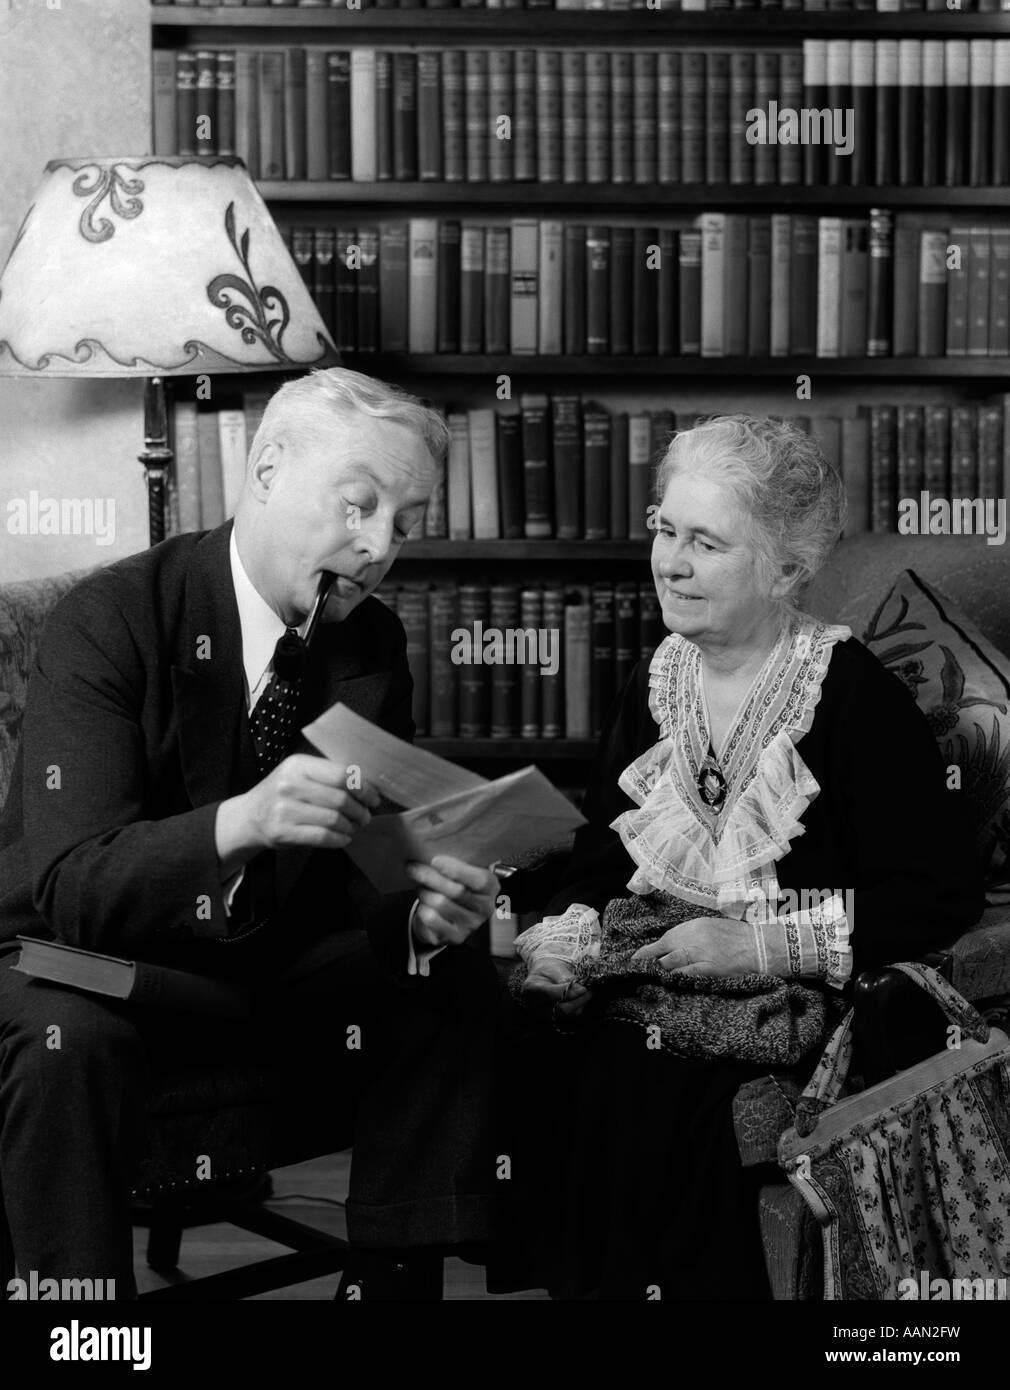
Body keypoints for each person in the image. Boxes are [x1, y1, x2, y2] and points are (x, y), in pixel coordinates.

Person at [0, 367, 502, 1300]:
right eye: (359, 505)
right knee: (71, 1039)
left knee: (448, 967)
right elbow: (72, 884)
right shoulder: (109, 621)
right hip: (72, 956)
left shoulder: (370, 643)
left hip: (257, 957)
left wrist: (420, 908)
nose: (382, 545)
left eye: (408, 520)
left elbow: (362, 858)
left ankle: (390, 1288)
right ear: (267, 469)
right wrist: (245, 821)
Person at [503, 414, 984, 1301]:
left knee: (642, 1081)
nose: (670, 563)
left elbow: (935, 896)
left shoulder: (850, 699)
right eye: (664, 530)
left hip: (808, 990)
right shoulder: (658, 681)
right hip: (660, 965)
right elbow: (603, 857)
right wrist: (564, 942)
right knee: (532, 1039)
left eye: (706, 543)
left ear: (787, 568)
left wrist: (756, 948)